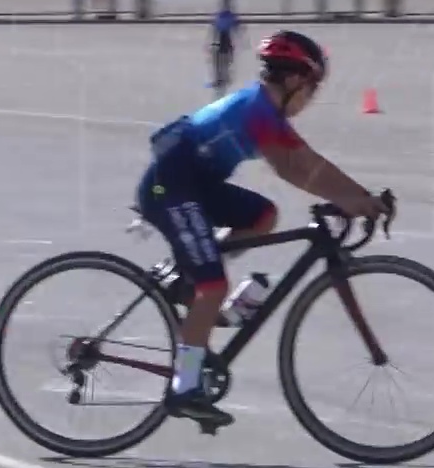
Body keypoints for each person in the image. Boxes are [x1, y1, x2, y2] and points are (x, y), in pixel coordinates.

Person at [135, 29, 388, 430]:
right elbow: (291, 169)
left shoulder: (266, 111)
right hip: (170, 188)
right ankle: (184, 389)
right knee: (213, 287)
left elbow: (308, 160)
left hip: (195, 187)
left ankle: (190, 275)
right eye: (312, 87)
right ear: (291, 80)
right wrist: (351, 201)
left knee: (262, 216)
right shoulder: (257, 109)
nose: (312, 97)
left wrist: (360, 195)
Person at [208, 0, 240, 92]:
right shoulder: (225, 15)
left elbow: (217, 28)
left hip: (224, 39)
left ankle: (222, 78)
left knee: (222, 61)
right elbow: (215, 28)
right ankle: (222, 78)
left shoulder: (226, 16)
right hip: (222, 40)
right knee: (221, 61)